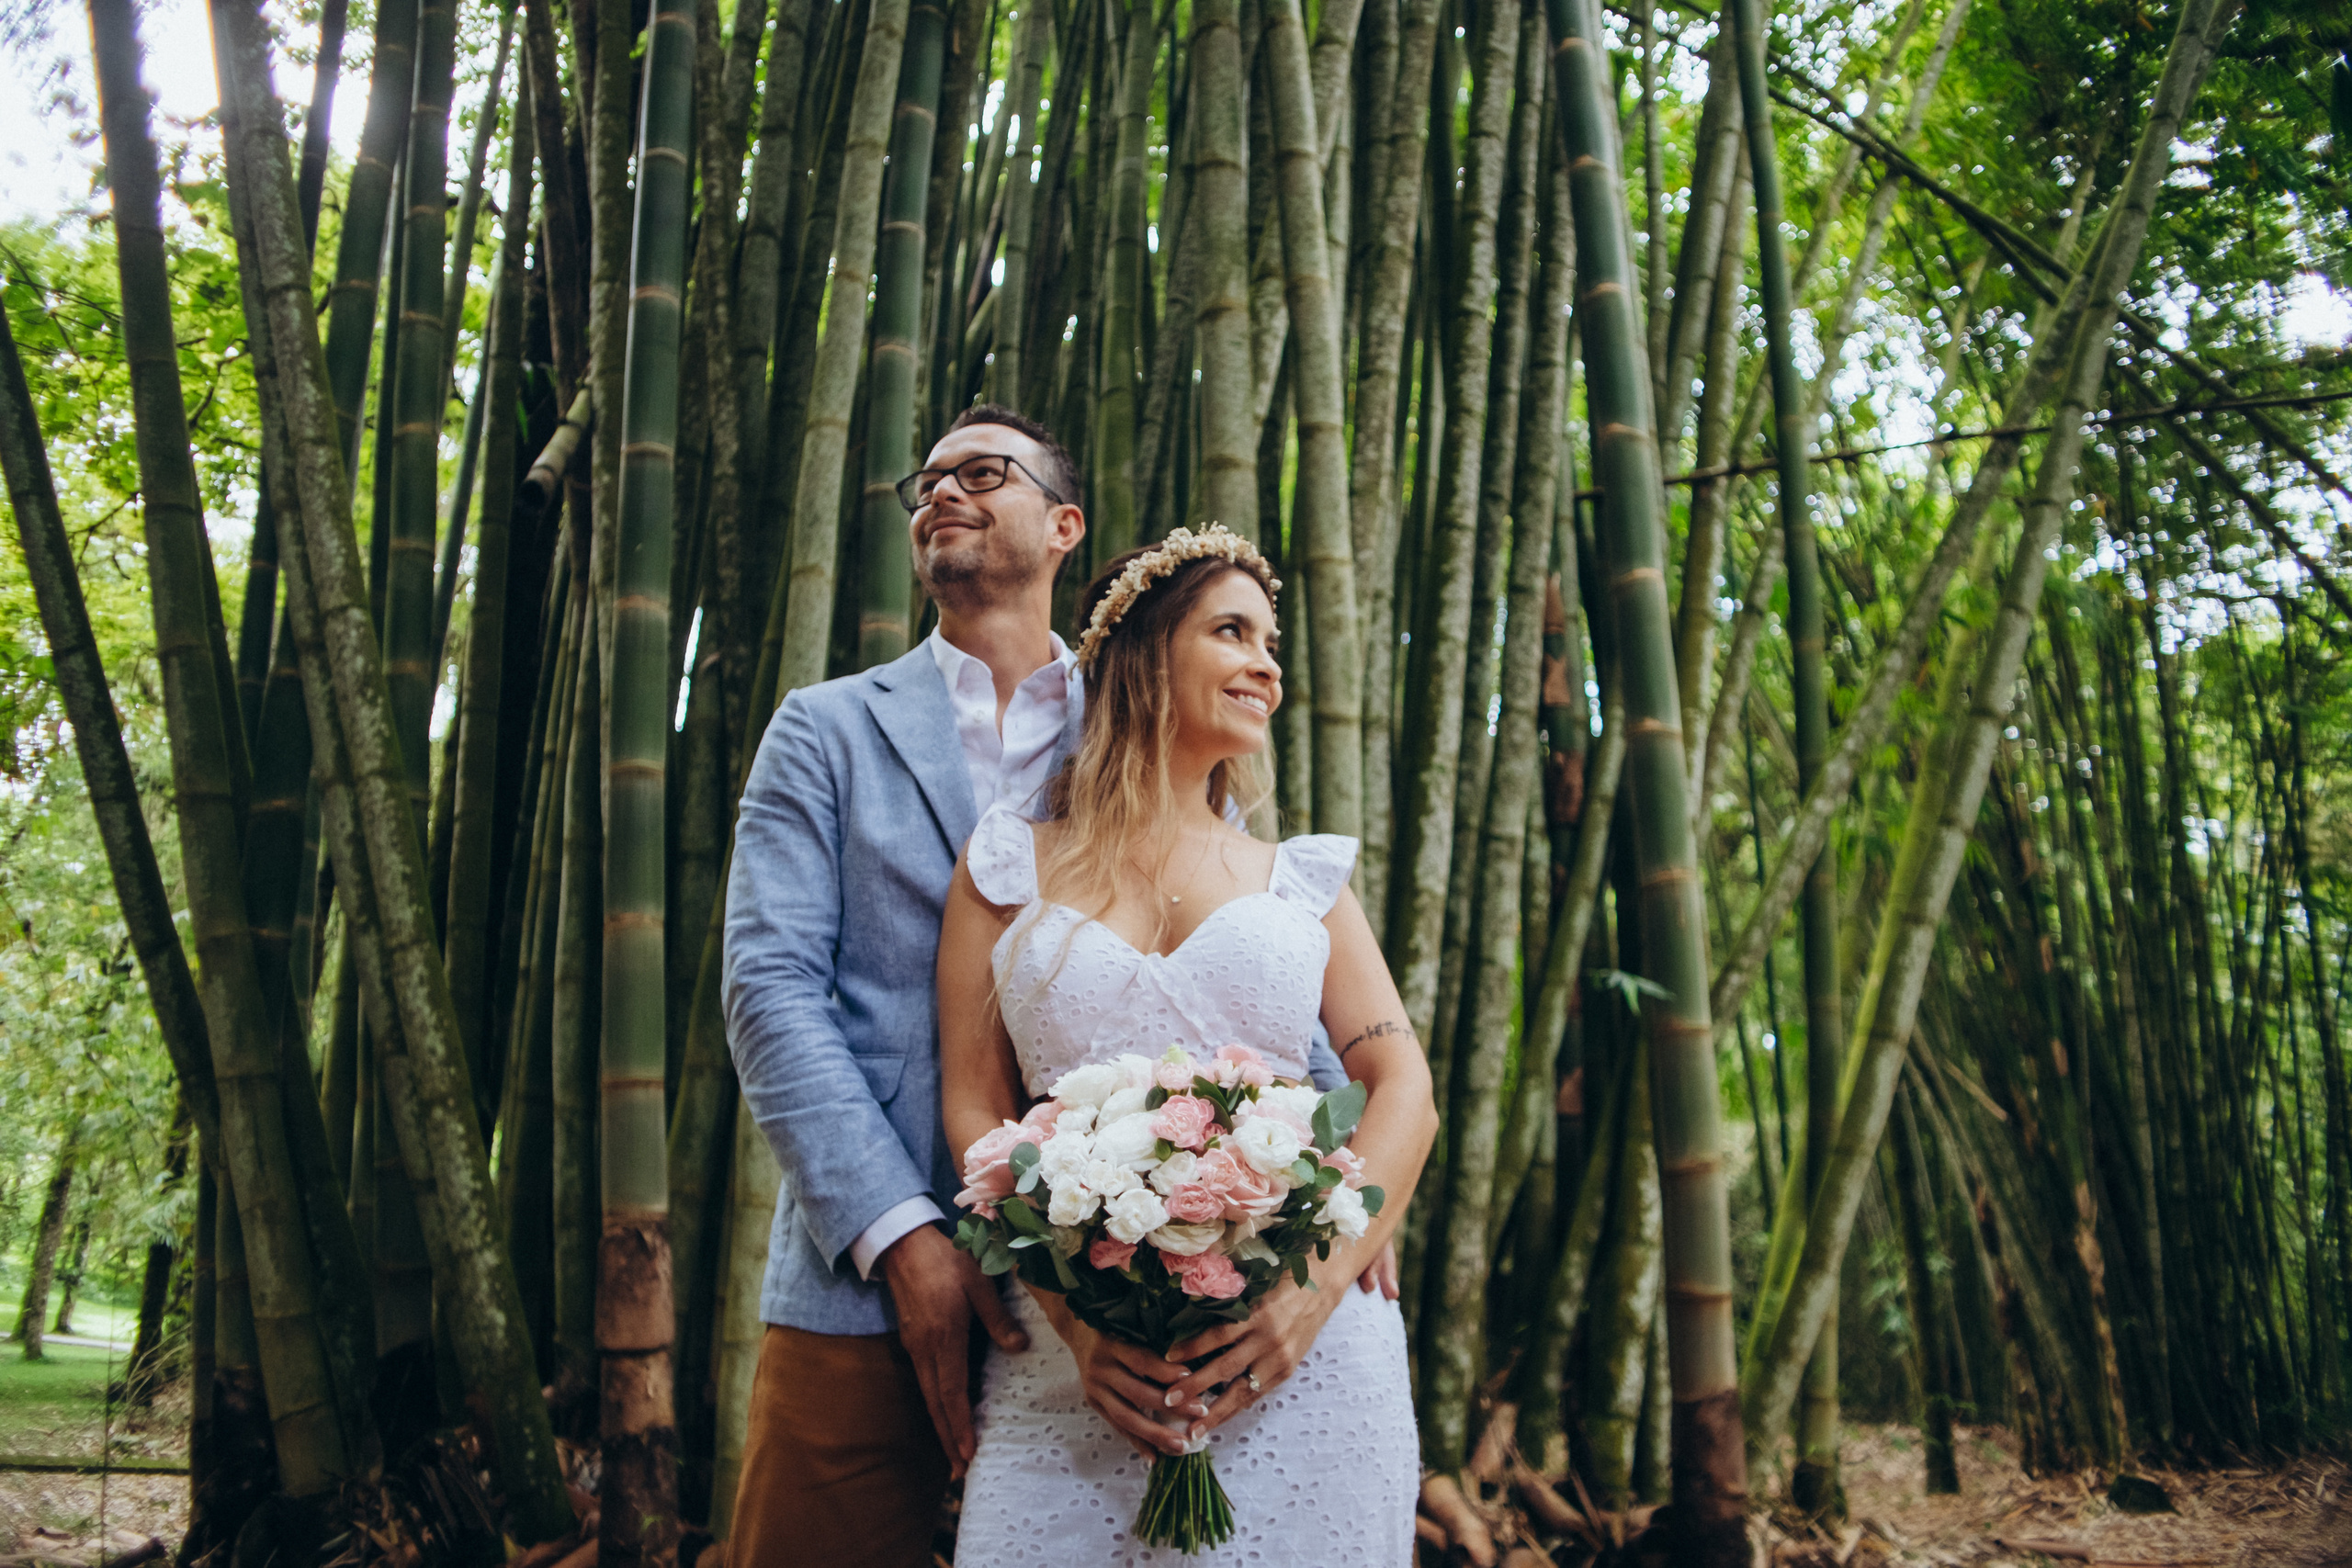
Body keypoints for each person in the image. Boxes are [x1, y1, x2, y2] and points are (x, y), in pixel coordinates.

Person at [721, 408, 1367, 1568]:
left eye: (981, 473)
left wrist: (1332, 1184)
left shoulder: (1150, 698)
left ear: (1064, 526)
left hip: (1144, 1273)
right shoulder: (825, 730)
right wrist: (904, 1235)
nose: (941, 492)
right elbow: (769, 992)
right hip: (870, 1268)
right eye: (925, 480)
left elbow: (1243, 936)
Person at [937, 526, 1438, 1565]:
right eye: (1232, 632)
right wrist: (1076, 1325)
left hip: (1303, 1357)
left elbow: (1401, 1083)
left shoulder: (1302, 878)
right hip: (1075, 1360)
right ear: (1141, 650)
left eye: (1272, 645)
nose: (1267, 666)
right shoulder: (1005, 866)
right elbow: (974, 1105)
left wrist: (1312, 1292)